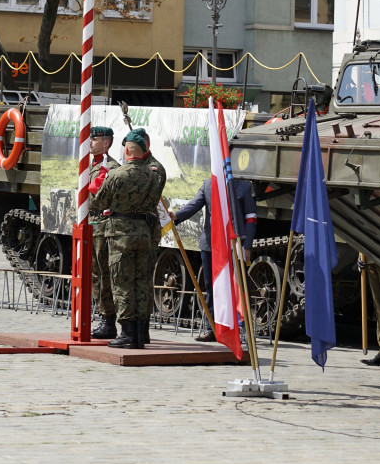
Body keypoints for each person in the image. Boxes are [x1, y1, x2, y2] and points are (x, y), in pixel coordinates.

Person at [91, 131, 162, 349]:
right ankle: (140, 332)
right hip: (143, 231)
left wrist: (95, 190)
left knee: (121, 282)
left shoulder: (117, 175)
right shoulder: (153, 175)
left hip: (121, 233)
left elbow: (98, 204)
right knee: (141, 282)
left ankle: (128, 334)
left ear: (127, 150)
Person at [170, 177, 257, 342]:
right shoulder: (208, 184)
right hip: (211, 245)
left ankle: (238, 328)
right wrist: (176, 215)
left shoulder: (243, 187)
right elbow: (194, 205)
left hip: (234, 245)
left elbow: (251, 217)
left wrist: (247, 245)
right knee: (211, 287)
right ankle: (212, 328)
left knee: (236, 287)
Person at [122, 128, 166, 344]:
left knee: (139, 282)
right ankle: (137, 331)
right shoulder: (142, 167)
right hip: (139, 230)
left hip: (143, 229)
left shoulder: (153, 168)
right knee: (135, 281)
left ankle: (139, 330)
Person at [88, 126, 120, 340]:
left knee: (103, 273)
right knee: (94, 274)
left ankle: (108, 319)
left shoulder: (110, 167)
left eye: (95, 139)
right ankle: (102, 314)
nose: (90, 142)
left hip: (103, 223)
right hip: (92, 222)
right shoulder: (92, 165)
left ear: (106, 143)